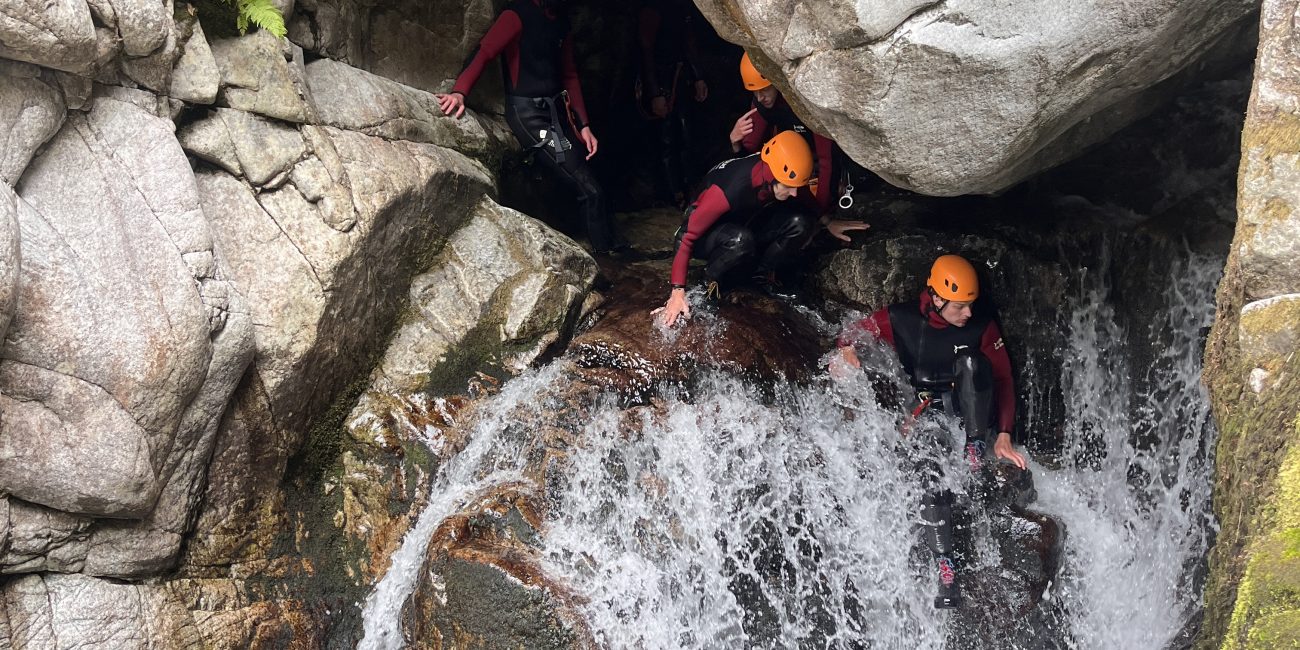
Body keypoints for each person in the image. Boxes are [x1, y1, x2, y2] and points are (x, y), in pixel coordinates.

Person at [834, 254, 1028, 609]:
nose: (968, 313)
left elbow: (1002, 377)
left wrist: (1003, 433)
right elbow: (850, 333)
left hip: (973, 415)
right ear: (937, 299)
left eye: (970, 305)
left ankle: (973, 447)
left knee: (971, 363)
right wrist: (846, 350)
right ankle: (945, 567)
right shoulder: (900, 318)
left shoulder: (981, 325)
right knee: (928, 473)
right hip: (929, 416)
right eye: (960, 307)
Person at [436, 0, 620, 254]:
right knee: (590, 191)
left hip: (555, 111)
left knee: (590, 176)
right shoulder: (516, 14)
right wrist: (459, 92)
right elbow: (485, 52)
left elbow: (569, 75)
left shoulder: (560, 21)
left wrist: (584, 125)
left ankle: (607, 247)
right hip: (527, 114)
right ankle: (608, 259)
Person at [653, 131, 815, 327]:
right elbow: (684, 236)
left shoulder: (773, 173)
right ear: (773, 175)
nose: (795, 193)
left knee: (800, 223)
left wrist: (828, 221)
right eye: (789, 186)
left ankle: (760, 277)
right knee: (741, 241)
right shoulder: (728, 189)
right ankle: (709, 282)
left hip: (741, 222)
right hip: (707, 235)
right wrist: (677, 291)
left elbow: (802, 200)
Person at [731, 52, 845, 227]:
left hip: (820, 155)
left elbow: (827, 160)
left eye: (765, 89)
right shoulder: (762, 105)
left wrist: (824, 214)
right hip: (794, 162)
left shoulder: (803, 101)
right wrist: (735, 142)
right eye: (755, 93)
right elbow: (748, 161)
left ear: (777, 82)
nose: (761, 97)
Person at [636, 0, 709, 208]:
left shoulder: (681, 6)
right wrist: (655, 93)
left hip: (679, 77)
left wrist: (698, 77)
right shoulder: (652, 9)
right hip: (662, 81)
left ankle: (688, 188)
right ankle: (672, 192)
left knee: (686, 136)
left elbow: (688, 41)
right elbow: (646, 50)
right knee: (666, 139)